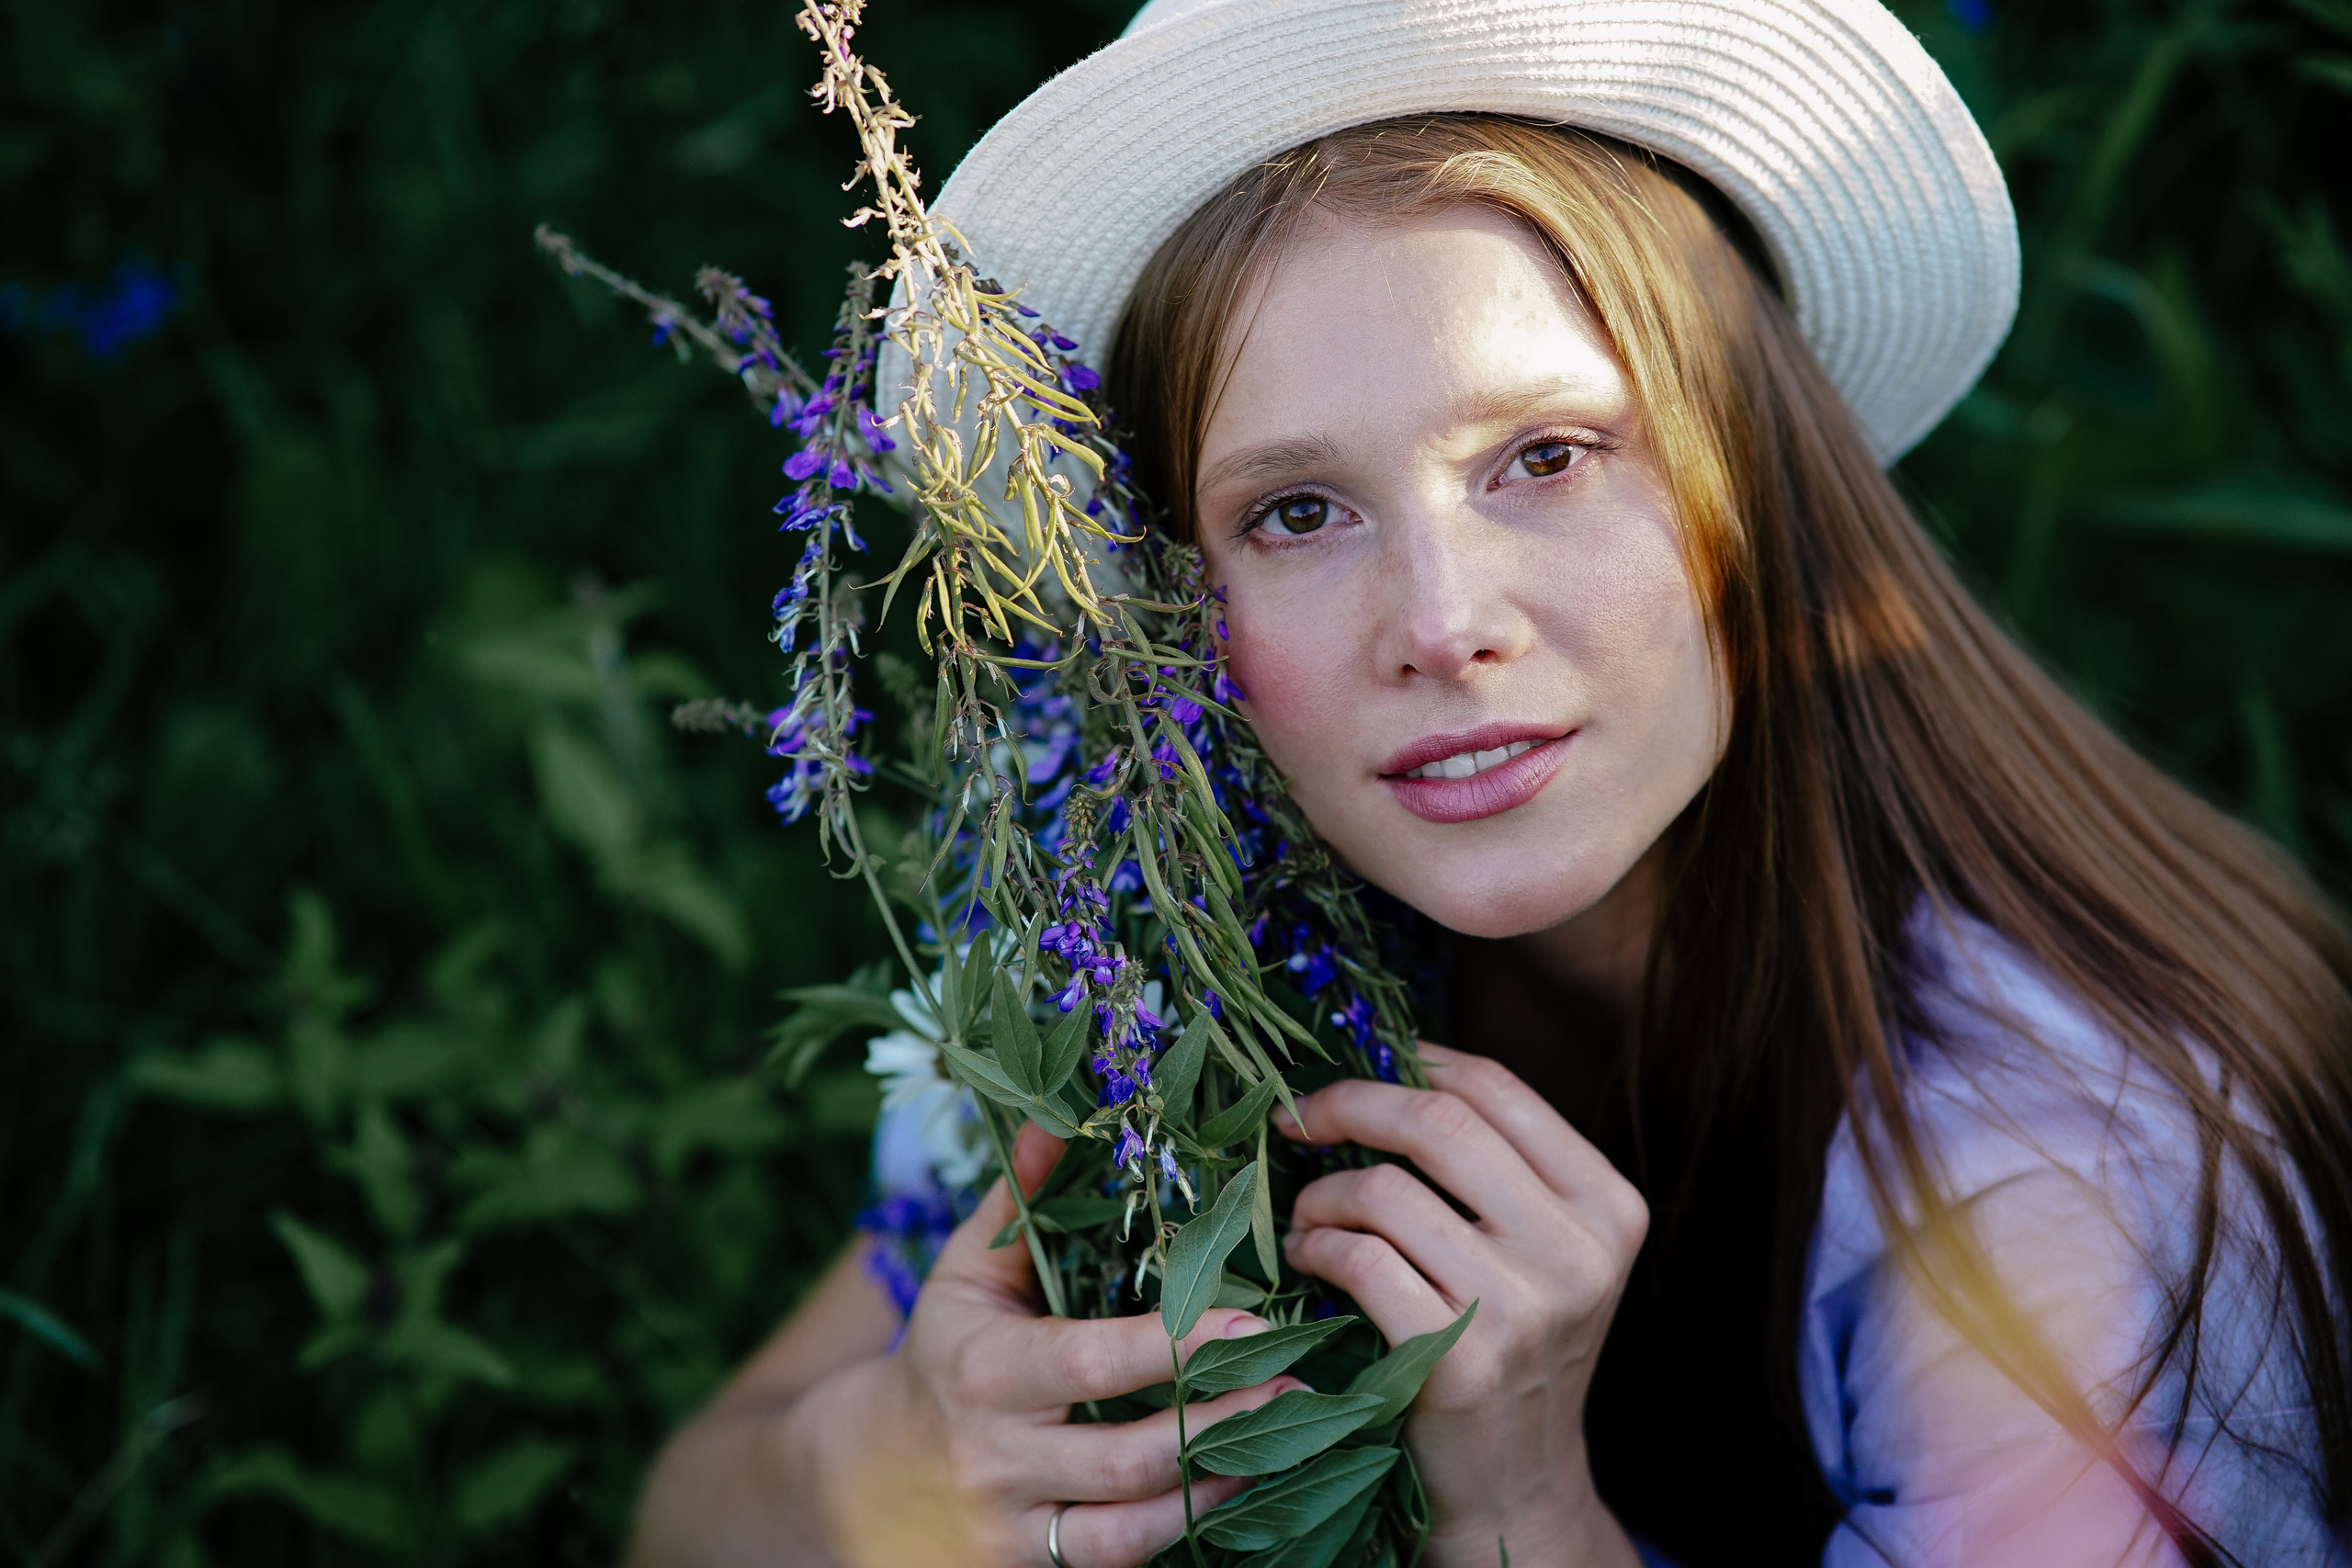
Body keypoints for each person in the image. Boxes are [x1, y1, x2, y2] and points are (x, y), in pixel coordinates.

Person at [628, 1, 2352, 1564]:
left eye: (1545, 456)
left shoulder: (2075, 1170)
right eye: (1295, 512)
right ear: (1175, 607)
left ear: (1751, 478)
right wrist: (894, 1465)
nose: (1442, 629)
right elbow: (689, 1509)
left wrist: (1526, 1512)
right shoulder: (1154, 933)